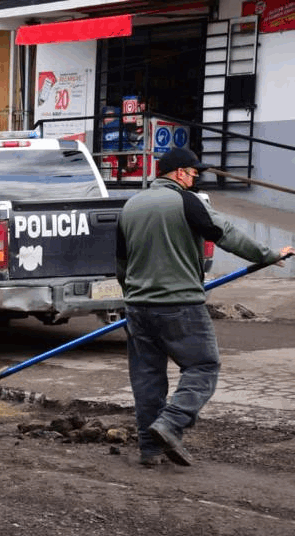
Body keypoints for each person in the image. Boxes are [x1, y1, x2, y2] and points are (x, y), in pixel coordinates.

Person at [116, 147, 294, 468]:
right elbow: (223, 233)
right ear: (180, 173)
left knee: (147, 378)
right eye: (194, 174)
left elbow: (120, 263)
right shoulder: (186, 202)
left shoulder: (131, 206)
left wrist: (132, 296)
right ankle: (171, 423)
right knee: (203, 366)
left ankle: (150, 449)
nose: (195, 181)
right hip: (180, 303)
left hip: (138, 308)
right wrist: (268, 255)